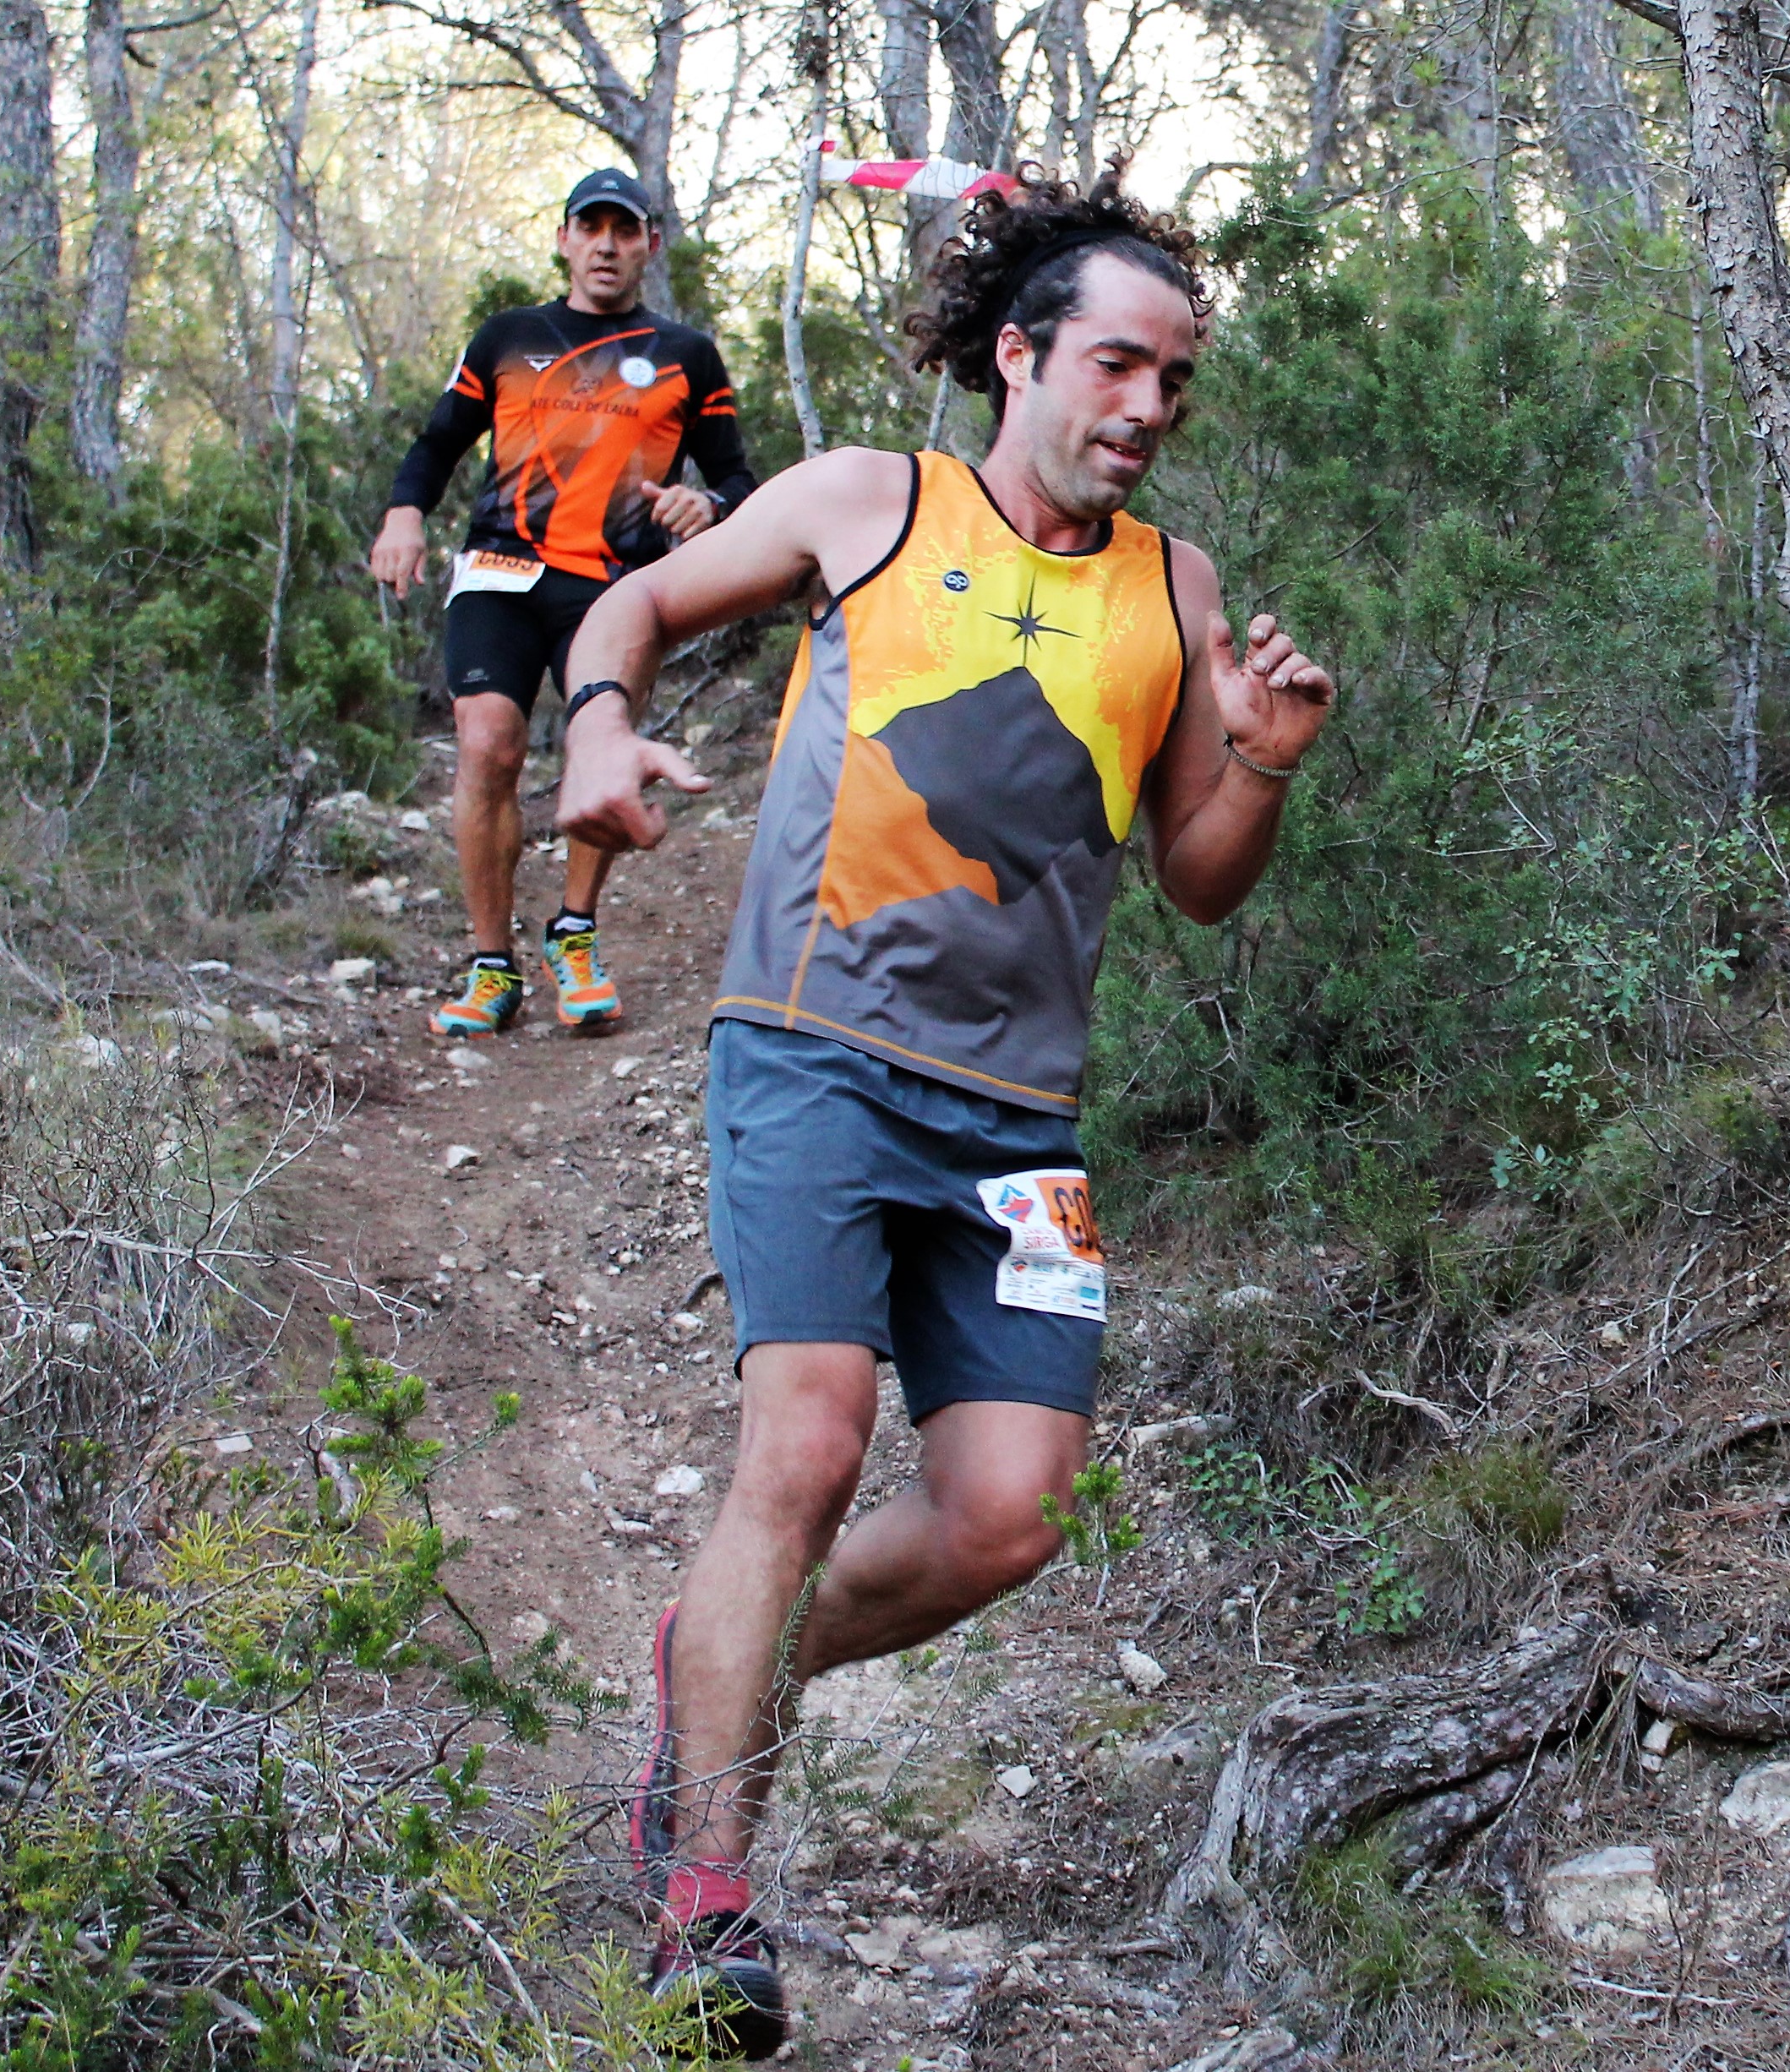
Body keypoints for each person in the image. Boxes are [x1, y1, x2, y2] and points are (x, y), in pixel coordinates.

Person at [551, 166, 1336, 2057]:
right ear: (1020, 355)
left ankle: (719, 1660)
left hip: (1017, 1119)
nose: (1147, 406)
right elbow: (640, 598)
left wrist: (1259, 765)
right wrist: (596, 723)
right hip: (812, 1049)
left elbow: (1194, 879)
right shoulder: (870, 502)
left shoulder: (1174, 591)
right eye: (1118, 364)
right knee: (811, 1442)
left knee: (1008, 1516)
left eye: (1176, 381)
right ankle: (705, 1904)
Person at [369, 169, 756, 1039]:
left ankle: (574, 933)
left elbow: (734, 475)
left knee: (599, 748)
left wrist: (708, 504)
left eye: (625, 230)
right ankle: (490, 965)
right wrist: (402, 515)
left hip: (614, 589)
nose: (607, 246)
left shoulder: (685, 354)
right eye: (591, 228)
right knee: (486, 743)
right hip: (501, 572)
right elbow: (437, 441)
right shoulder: (509, 336)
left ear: (650, 244)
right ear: (564, 240)